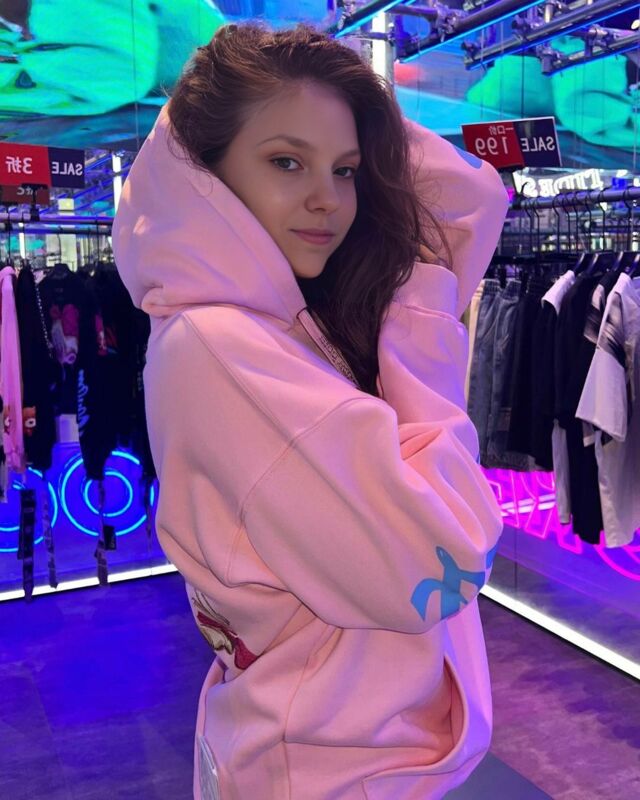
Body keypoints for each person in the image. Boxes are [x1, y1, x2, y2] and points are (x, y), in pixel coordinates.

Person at [113, 22, 509, 800]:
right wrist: (419, 328)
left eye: (347, 169)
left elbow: (470, 200)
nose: (328, 199)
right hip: (335, 765)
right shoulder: (223, 346)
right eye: (286, 161)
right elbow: (444, 555)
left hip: (335, 745)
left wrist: (347, 101)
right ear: (203, 172)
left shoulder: (270, 324)